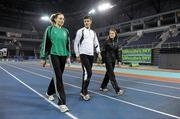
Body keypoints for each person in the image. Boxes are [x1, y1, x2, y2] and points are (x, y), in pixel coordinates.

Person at [40, 12, 70, 112]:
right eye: (60, 18)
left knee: (57, 76)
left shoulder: (66, 31)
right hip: (53, 55)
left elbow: (68, 44)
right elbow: (45, 43)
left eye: (63, 19)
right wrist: (43, 58)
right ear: (55, 19)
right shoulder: (50, 29)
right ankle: (62, 103)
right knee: (58, 77)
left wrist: (69, 56)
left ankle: (49, 92)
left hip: (63, 55)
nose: (62, 20)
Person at [74, 15, 102, 101]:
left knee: (86, 73)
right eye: (85, 21)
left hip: (91, 54)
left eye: (88, 21)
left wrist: (99, 53)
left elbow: (96, 43)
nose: (86, 22)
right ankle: (84, 92)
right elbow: (76, 43)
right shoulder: (80, 31)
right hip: (83, 54)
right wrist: (77, 54)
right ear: (84, 22)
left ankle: (82, 90)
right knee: (88, 72)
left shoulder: (93, 32)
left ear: (91, 22)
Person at [100, 28, 124, 95]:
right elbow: (103, 52)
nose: (111, 34)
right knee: (112, 75)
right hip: (108, 60)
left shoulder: (116, 42)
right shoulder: (106, 42)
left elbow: (117, 52)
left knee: (108, 74)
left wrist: (119, 60)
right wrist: (103, 61)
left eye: (112, 33)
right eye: (110, 33)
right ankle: (117, 90)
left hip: (113, 60)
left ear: (115, 34)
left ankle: (103, 86)